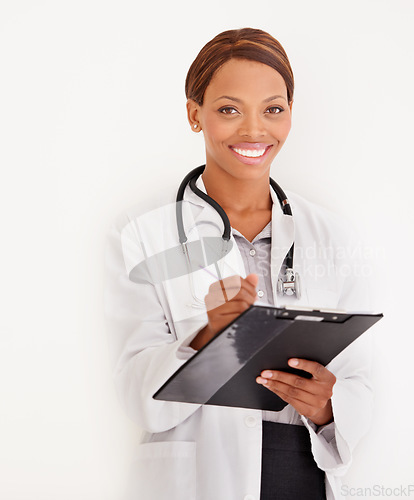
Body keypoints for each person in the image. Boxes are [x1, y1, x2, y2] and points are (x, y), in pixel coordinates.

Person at [104, 27, 374, 500]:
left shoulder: (332, 235)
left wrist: (330, 404)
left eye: (274, 109)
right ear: (195, 115)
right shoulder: (142, 234)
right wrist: (206, 337)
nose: (254, 130)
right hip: (200, 478)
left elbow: (362, 379)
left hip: (302, 477)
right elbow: (136, 395)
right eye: (229, 109)